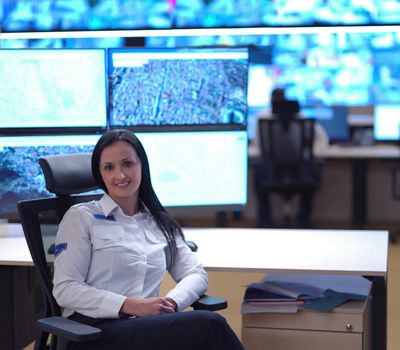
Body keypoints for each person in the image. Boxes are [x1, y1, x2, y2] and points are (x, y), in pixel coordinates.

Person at [53, 129, 244, 350]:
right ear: (100, 174)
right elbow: (65, 289)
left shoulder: (158, 221)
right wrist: (130, 306)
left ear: (141, 165)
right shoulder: (81, 217)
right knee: (209, 325)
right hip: (93, 331)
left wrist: (171, 303)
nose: (120, 175)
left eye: (127, 164)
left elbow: (195, 273)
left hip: (144, 329)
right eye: (109, 167)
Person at [252, 88, 329, 228]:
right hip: (299, 173)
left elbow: (258, 147)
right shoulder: (302, 116)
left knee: (257, 174)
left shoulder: (262, 117)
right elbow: (322, 140)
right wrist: (312, 154)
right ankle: (303, 222)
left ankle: (265, 223)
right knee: (312, 173)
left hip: (272, 173)